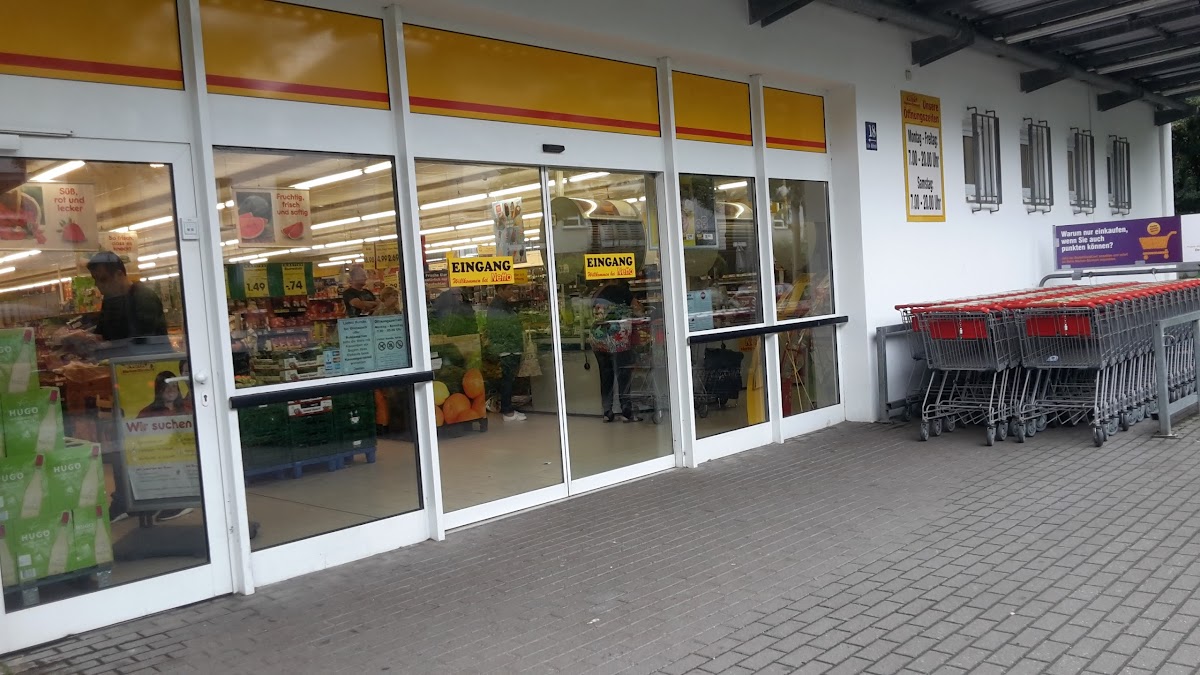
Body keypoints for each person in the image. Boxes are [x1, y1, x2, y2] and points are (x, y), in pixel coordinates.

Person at [591, 279, 640, 423]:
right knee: (623, 375)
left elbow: (591, 306)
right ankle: (626, 411)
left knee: (606, 376)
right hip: (617, 340)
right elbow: (638, 309)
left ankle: (607, 412)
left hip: (598, 339)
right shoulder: (622, 290)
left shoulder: (598, 292)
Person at [484, 284, 525, 422]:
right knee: (507, 380)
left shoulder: (503, 305)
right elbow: (501, 328)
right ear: (500, 290)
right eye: (509, 289)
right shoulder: (497, 307)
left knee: (509, 380)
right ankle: (507, 411)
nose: (512, 291)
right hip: (507, 349)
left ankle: (508, 408)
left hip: (510, 347)